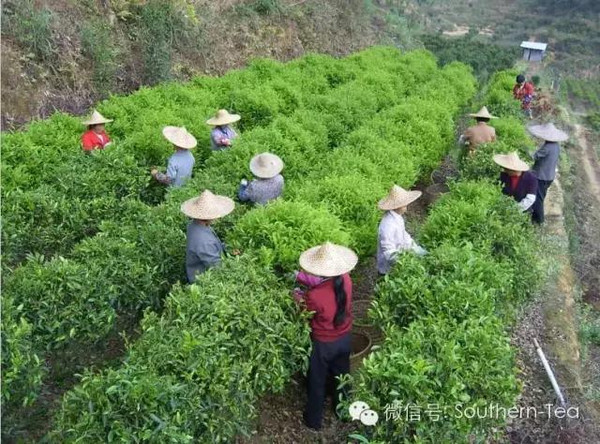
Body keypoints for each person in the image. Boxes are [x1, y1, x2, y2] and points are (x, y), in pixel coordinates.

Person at [292, 242, 358, 431]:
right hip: (344, 338)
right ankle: (343, 411)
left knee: (317, 380)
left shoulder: (315, 295)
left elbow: (305, 311)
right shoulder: (346, 279)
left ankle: (313, 420)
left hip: (323, 344)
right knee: (342, 376)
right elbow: (328, 293)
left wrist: (297, 298)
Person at [180, 190, 235, 283]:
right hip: (203, 280)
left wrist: (227, 249)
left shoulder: (194, 224)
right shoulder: (204, 241)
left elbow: (214, 245)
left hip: (194, 269)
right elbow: (216, 267)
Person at [377, 185, 427, 275]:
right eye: (404, 205)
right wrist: (404, 261)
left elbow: (404, 236)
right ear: (397, 206)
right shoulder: (387, 225)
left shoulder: (397, 217)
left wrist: (415, 248)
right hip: (389, 268)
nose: (406, 207)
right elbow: (389, 253)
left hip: (401, 256)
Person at [527, 123, 568, 224]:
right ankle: (534, 216)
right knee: (541, 196)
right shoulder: (556, 146)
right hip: (549, 176)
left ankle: (539, 221)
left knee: (538, 199)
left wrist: (528, 152)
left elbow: (534, 156)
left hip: (541, 176)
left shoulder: (547, 147)